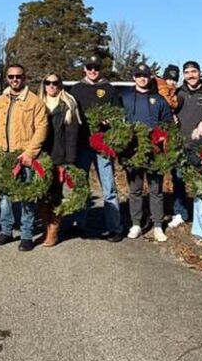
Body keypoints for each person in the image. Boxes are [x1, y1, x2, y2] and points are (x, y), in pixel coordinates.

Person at [0, 63, 48, 252]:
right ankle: (6, 230)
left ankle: (27, 235)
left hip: (24, 157)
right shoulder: (0, 100)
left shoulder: (34, 102)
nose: (15, 80)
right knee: (5, 196)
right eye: (11, 76)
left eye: (18, 76)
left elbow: (42, 129)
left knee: (26, 197)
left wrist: (29, 153)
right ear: (7, 78)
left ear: (25, 78)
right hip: (4, 156)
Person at [68, 55, 123, 242]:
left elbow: (118, 113)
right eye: (89, 67)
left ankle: (114, 227)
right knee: (81, 186)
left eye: (96, 68)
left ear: (101, 69)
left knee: (109, 188)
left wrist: (110, 121)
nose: (93, 71)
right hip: (82, 145)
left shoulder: (109, 89)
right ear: (84, 68)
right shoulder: (76, 89)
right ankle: (79, 224)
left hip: (103, 146)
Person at [120, 63, 173, 242]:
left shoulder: (158, 99)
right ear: (134, 77)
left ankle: (158, 225)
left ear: (150, 78)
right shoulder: (125, 98)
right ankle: (136, 223)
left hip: (154, 152)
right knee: (135, 189)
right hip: (133, 152)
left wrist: (160, 137)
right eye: (139, 75)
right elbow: (118, 122)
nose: (142, 78)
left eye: (145, 75)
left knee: (155, 189)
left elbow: (167, 123)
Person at [168, 60, 202, 229]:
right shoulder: (177, 93)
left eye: (194, 71)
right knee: (178, 180)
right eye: (187, 72)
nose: (191, 75)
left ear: (200, 73)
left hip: (201, 147)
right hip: (179, 144)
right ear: (184, 76)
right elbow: (167, 108)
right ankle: (180, 212)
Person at [38, 73, 80, 247]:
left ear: (60, 85)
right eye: (48, 83)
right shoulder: (38, 103)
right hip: (40, 156)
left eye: (55, 83)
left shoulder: (68, 105)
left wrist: (69, 160)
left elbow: (72, 135)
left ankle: (53, 232)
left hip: (58, 156)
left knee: (55, 195)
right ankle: (45, 228)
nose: (52, 86)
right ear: (44, 85)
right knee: (40, 194)